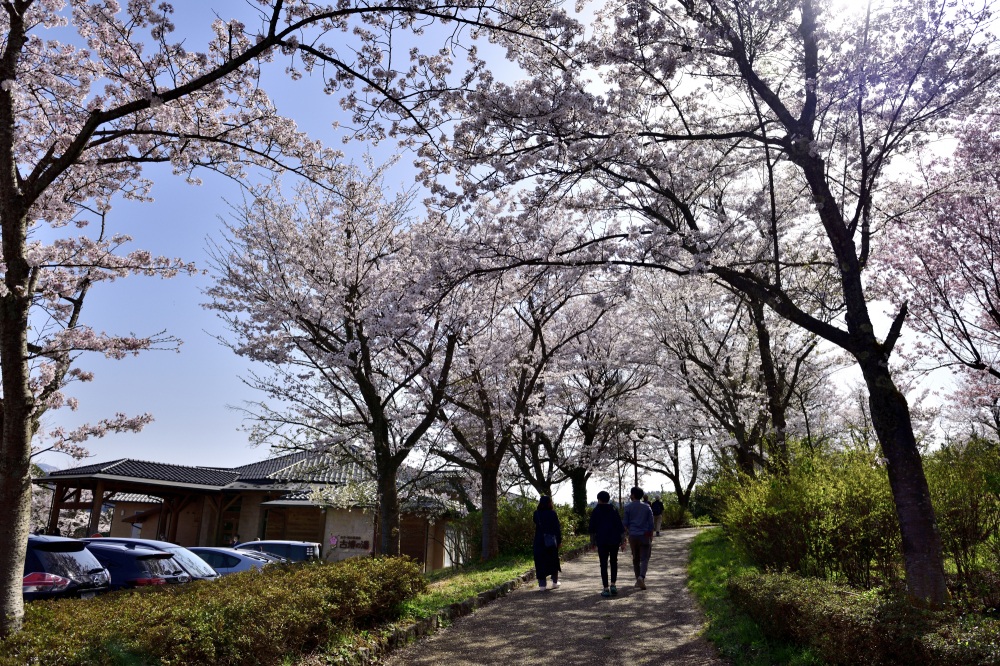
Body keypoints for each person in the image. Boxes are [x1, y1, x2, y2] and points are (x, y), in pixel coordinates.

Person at [589, 490, 625, 597]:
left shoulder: (595, 511)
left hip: (602, 541)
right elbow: (620, 527)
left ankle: (605, 588)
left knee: (603, 564)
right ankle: (613, 585)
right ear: (608, 499)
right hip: (614, 540)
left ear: (599, 499)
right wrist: (622, 541)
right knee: (614, 562)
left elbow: (592, 529)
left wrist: (592, 543)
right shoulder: (613, 509)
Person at [623, 486, 655, 589]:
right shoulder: (647, 507)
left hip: (633, 535)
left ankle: (638, 579)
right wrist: (651, 535)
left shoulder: (627, 507)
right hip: (644, 535)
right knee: (645, 558)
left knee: (635, 558)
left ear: (632, 495)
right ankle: (641, 577)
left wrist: (627, 533)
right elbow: (651, 523)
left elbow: (625, 523)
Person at [533, 496, 562, 591]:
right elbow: (557, 528)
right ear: (550, 503)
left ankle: (542, 585)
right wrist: (559, 541)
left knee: (540, 562)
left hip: (539, 541)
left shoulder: (536, 514)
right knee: (553, 561)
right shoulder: (552, 513)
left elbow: (535, 522)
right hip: (550, 541)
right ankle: (554, 582)